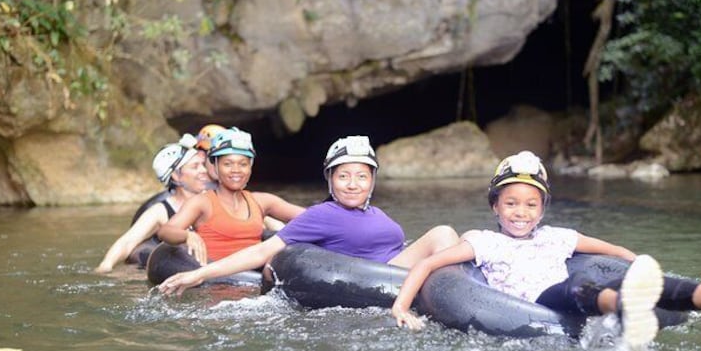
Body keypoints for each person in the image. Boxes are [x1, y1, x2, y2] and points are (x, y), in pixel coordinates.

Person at [389, 150, 701, 344]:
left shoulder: (557, 236)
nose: (520, 213)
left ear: (543, 208)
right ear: (495, 206)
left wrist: (636, 262)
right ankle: (626, 309)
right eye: (510, 203)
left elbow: (612, 248)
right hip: (538, 300)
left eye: (531, 204)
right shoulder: (483, 241)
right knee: (577, 290)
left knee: (633, 282)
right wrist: (401, 307)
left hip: (571, 287)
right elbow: (430, 265)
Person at [157, 135, 459, 296]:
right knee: (443, 233)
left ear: (373, 180)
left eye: (361, 176)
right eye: (343, 176)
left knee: (464, 238)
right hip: (379, 277)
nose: (353, 184)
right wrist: (199, 273)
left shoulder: (374, 211)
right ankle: (451, 297)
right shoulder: (323, 215)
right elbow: (265, 249)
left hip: (397, 264)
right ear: (330, 180)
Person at [156, 127, 305, 264]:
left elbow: (311, 216)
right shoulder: (202, 202)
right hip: (214, 283)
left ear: (250, 168)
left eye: (243, 164)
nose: (236, 170)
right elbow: (166, 231)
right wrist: (187, 236)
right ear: (215, 167)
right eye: (227, 164)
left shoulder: (263, 201)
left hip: (254, 282)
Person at [95, 134, 210, 273]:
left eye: (202, 165)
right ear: (175, 175)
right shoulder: (160, 211)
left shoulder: (214, 199)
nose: (204, 170)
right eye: (195, 167)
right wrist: (106, 265)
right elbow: (128, 241)